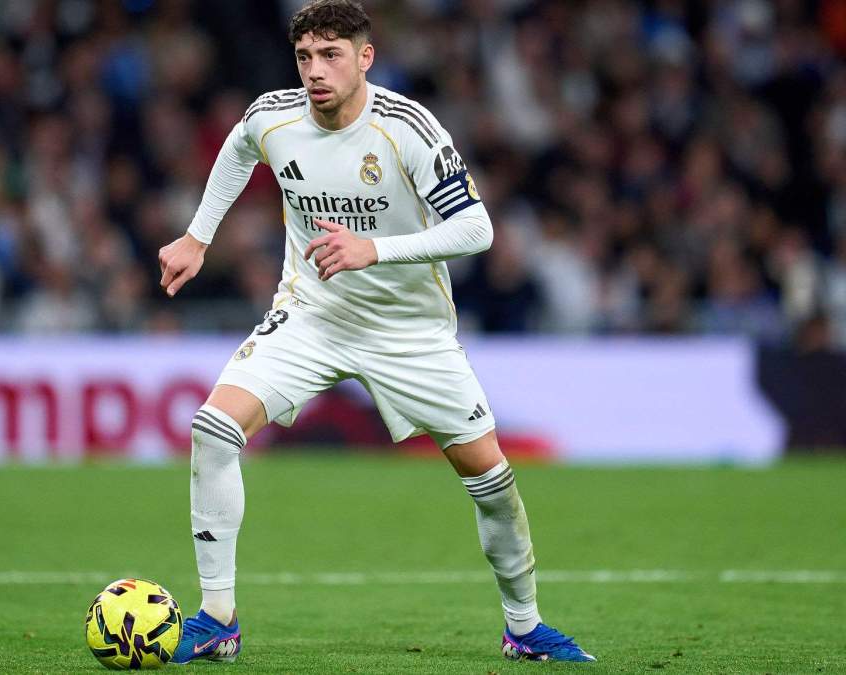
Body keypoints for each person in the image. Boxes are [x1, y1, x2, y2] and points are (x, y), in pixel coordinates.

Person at [158, 0, 595, 664]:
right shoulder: (274, 116)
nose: (315, 71)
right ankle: (218, 616)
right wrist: (197, 236)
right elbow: (239, 148)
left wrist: (375, 250)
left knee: (493, 481)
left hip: (410, 332)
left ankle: (524, 625)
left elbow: (477, 228)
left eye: (331, 55)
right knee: (213, 429)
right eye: (305, 56)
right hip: (313, 315)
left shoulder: (407, 128)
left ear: (365, 57)